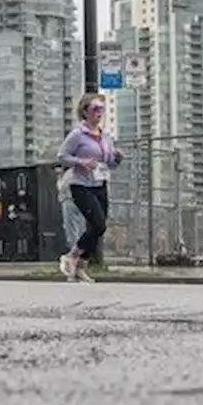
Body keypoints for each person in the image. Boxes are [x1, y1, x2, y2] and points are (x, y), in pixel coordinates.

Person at [57, 95, 122, 284]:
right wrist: (81, 161)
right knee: (98, 223)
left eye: (102, 108)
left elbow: (109, 163)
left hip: (100, 183)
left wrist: (117, 158)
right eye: (95, 108)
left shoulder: (106, 136)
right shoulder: (78, 135)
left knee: (98, 228)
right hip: (80, 184)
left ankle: (80, 267)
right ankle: (71, 255)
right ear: (85, 111)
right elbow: (62, 155)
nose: (99, 112)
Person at [58, 168, 85, 257]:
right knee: (80, 226)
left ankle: (74, 252)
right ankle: (81, 251)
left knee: (71, 227)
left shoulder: (69, 173)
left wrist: (60, 178)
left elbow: (62, 187)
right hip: (81, 200)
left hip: (69, 200)